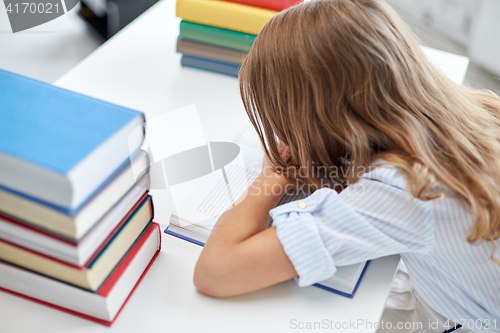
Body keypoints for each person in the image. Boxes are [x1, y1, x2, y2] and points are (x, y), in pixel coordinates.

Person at [193, 0, 500, 332]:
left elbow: (215, 270)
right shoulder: (480, 108)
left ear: (321, 119)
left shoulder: (404, 189)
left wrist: (273, 174)